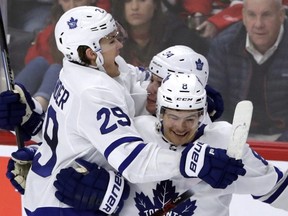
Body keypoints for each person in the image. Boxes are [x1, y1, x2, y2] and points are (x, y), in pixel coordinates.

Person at [12, 6, 244, 216]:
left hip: (50, 191)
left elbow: (134, 78)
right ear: (91, 53)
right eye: (111, 40)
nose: (120, 44)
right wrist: (194, 162)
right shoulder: (95, 92)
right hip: (63, 204)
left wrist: (192, 95)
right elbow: (134, 161)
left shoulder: (82, 67)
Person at [53, 73, 288, 215]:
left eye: (190, 119)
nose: (180, 127)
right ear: (160, 114)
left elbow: (277, 190)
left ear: (202, 115)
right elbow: (74, 162)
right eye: (173, 117)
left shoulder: (225, 143)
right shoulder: (136, 132)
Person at [207, 0, 288, 142]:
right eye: (251, 15)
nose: (258, 24)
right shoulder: (224, 45)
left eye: (266, 15)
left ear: (281, 16)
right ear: (243, 16)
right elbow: (213, 103)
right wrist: (232, 138)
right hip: (234, 136)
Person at [111, 0, 209, 67]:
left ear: (155, 5)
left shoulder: (178, 37)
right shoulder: (111, 38)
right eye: (128, 1)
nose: (134, 7)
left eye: (143, 0)